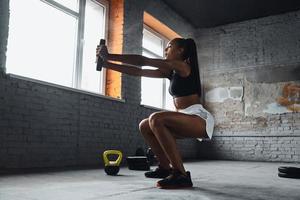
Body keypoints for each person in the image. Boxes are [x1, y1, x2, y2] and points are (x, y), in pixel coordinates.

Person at [97, 38, 214, 189]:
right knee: (145, 125)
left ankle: (181, 175)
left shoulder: (182, 65)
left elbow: (143, 61)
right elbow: (139, 71)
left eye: (169, 46)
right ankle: (165, 168)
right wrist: (107, 64)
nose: (165, 50)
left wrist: (109, 55)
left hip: (198, 118)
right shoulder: (171, 71)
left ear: (181, 51)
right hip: (185, 117)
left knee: (156, 118)